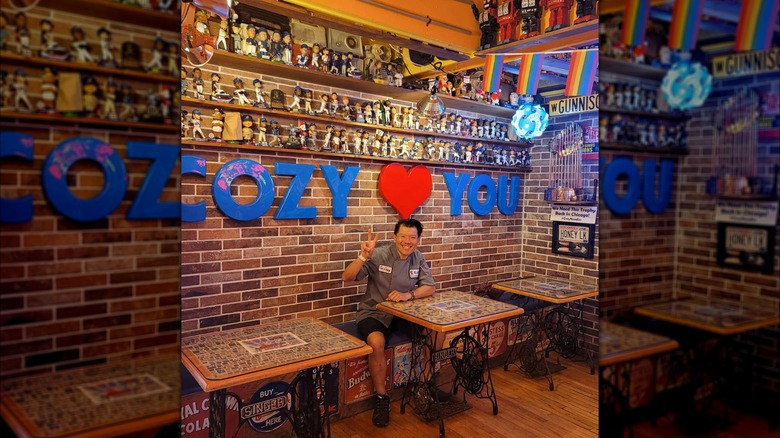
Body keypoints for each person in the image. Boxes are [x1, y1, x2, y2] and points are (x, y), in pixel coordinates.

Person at [341, 219, 438, 428]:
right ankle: (381, 398)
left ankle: (425, 383)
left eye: (413, 237)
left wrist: (408, 295)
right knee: (376, 342)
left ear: (419, 240)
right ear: (395, 237)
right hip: (374, 312)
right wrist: (362, 256)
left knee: (436, 332)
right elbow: (347, 277)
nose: (407, 241)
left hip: (404, 314)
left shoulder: (418, 257)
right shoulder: (378, 254)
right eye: (403, 236)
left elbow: (429, 288)